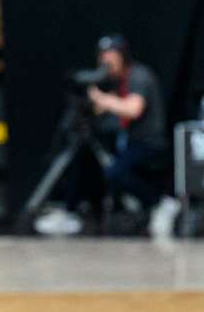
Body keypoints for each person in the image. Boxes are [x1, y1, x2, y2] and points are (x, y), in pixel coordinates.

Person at [39, 34, 178, 236]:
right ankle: (70, 212)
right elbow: (107, 108)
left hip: (149, 143)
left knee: (115, 172)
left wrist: (101, 99)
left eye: (110, 55)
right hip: (127, 141)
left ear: (122, 55)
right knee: (84, 156)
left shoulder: (139, 75)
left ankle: (160, 203)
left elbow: (133, 109)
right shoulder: (116, 82)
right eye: (102, 55)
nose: (105, 60)